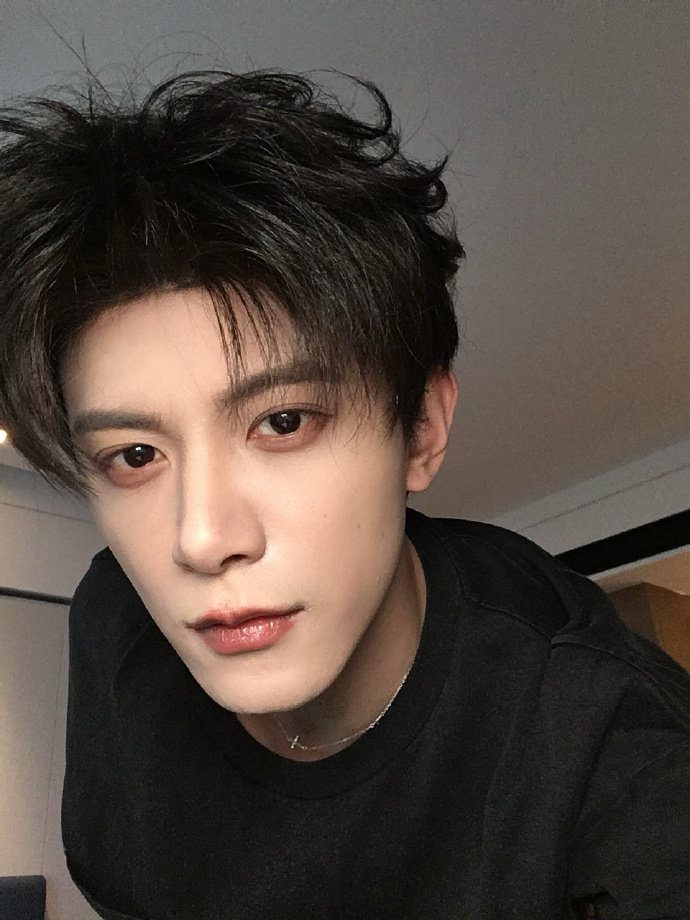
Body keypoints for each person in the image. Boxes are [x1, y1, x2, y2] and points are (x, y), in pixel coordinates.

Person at [0, 70, 688, 920]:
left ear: (422, 430)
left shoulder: (614, 750)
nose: (202, 539)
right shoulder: (114, 621)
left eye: (283, 421)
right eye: (135, 454)